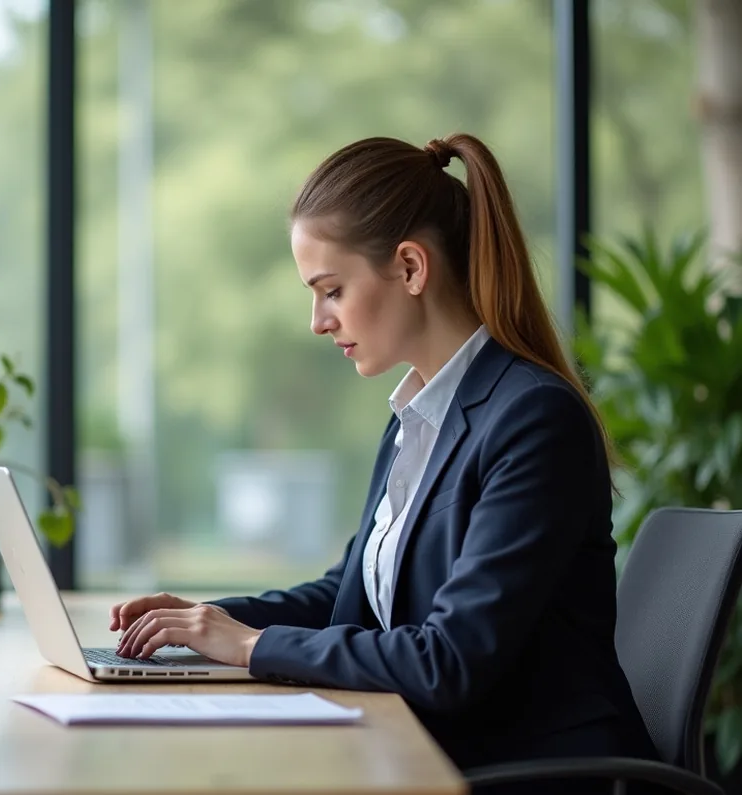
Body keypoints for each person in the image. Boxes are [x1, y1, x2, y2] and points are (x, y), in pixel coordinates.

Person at [109, 133, 658, 791]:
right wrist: (201, 623)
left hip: (529, 772)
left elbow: (448, 659)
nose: (317, 320)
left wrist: (248, 645)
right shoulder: (417, 414)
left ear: (410, 267)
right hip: (436, 751)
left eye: (331, 289)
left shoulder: (534, 419)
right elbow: (350, 594)